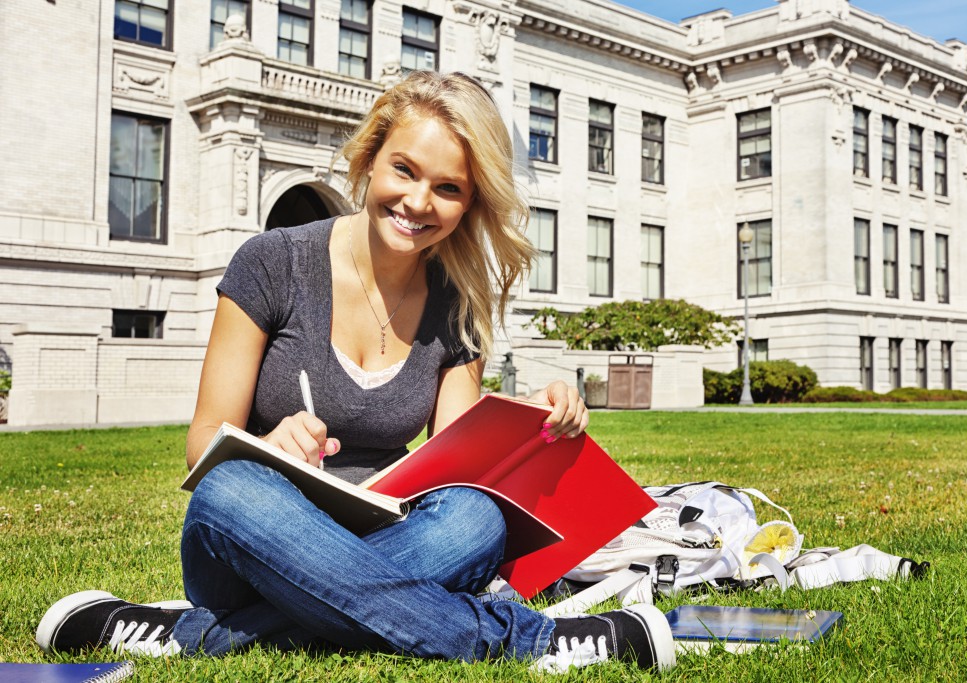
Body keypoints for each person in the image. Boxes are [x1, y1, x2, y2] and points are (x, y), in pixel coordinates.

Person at [35, 71, 676, 673]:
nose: (418, 202)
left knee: (476, 519)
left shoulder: (459, 303)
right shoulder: (271, 263)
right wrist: (265, 447)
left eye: (448, 188)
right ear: (371, 158)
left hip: (392, 528)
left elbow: (458, 465)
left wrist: (531, 415)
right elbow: (205, 440)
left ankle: (186, 633)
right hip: (261, 534)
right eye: (405, 170)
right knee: (229, 488)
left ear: (470, 202)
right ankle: (529, 640)